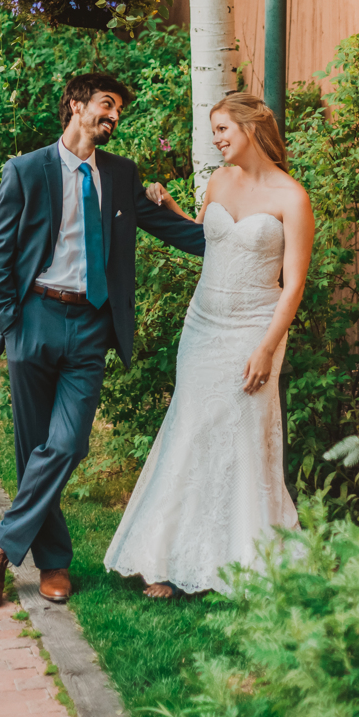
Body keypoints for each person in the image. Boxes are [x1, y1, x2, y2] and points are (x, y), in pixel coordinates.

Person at [0, 72, 206, 608]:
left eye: (118, 109)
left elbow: (172, 230)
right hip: (34, 316)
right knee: (35, 447)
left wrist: (239, 240)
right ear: (76, 106)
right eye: (107, 105)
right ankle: (54, 563)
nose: (114, 116)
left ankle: (2, 542)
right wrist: (11, 323)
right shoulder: (28, 170)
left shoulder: (122, 176)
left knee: (69, 442)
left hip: (91, 325)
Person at [103, 92, 314, 597]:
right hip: (203, 324)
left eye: (223, 129)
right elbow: (210, 240)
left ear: (252, 128)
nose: (216, 139)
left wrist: (267, 347)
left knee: (243, 434)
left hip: (254, 327)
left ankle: (245, 556)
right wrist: (171, 208)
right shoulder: (219, 181)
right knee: (190, 429)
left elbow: (295, 286)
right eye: (214, 130)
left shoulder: (292, 198)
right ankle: (167, 556)